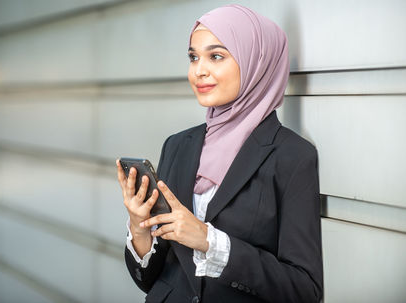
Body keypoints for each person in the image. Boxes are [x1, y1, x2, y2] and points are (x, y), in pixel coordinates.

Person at [116, 4, 323, 303]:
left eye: (216, 56)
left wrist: (210, 242)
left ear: (257, 61)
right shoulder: (177, 145)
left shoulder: (292, 156)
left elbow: (305, 291)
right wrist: (140, 229)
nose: (199, 70)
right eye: (193, 57)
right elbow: (151, 280)